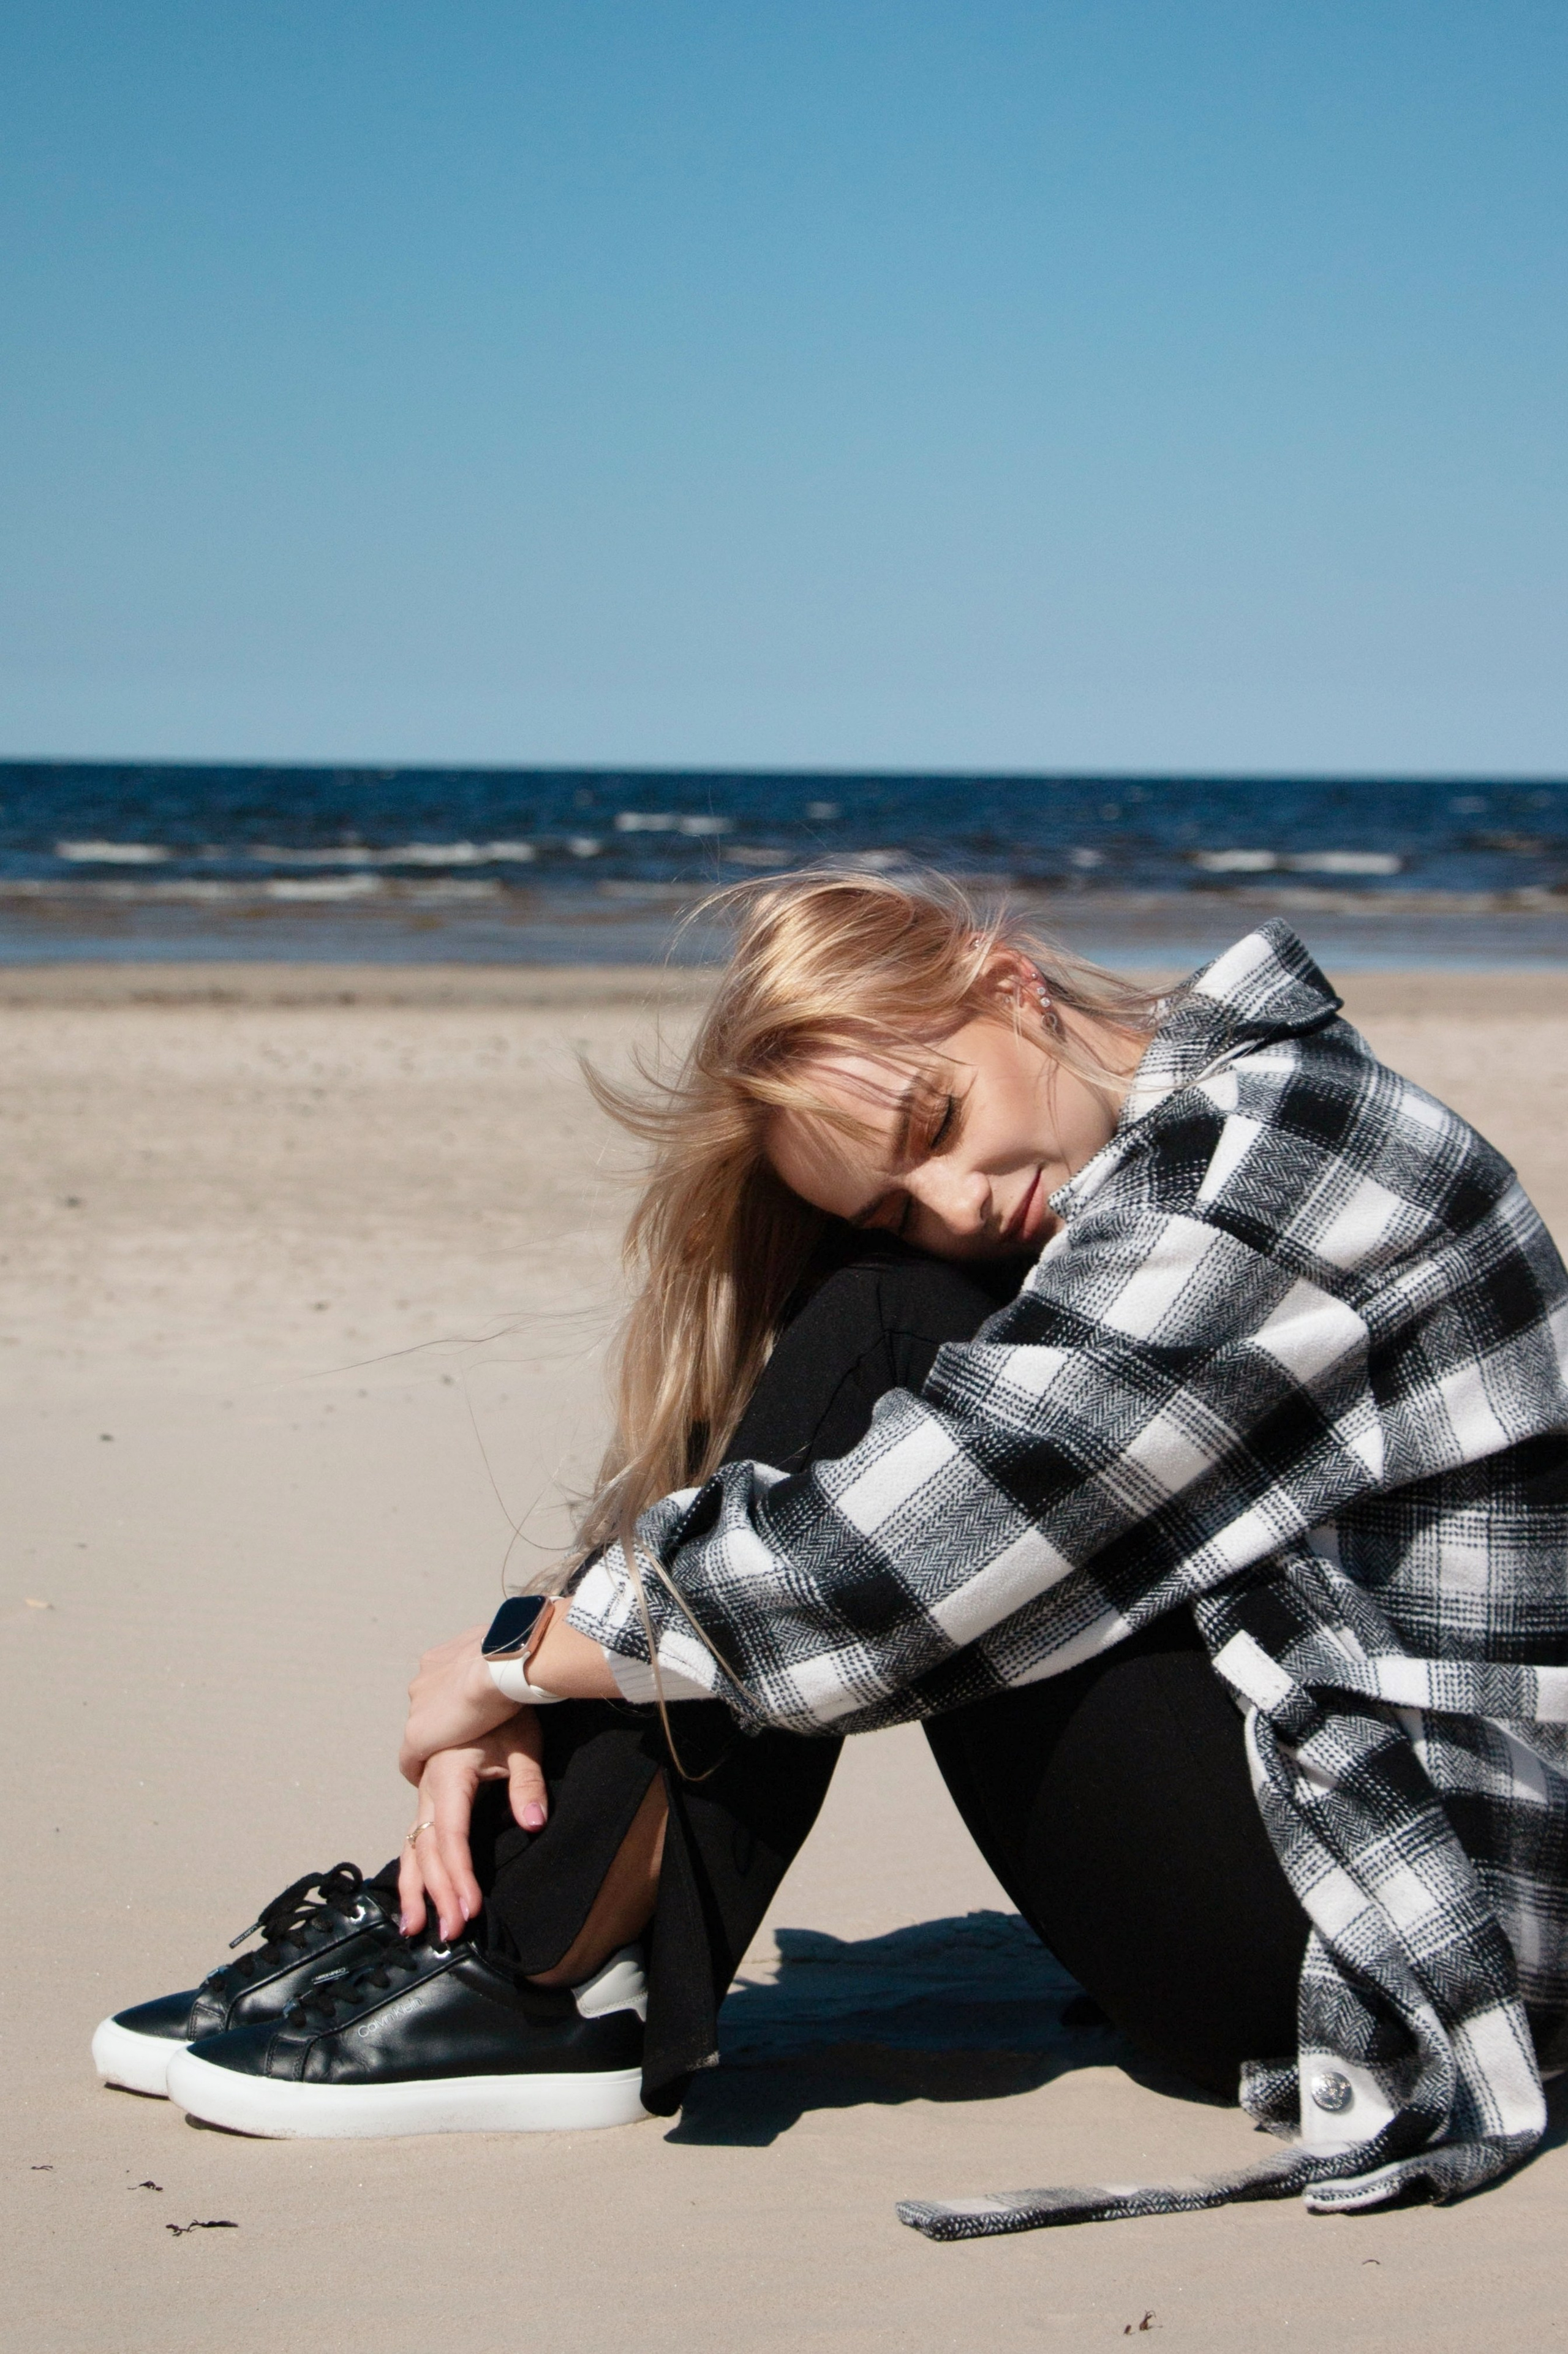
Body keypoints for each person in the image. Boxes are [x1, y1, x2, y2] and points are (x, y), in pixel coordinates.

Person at [92, 876, 1568, 2238]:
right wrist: (543, 1675)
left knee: (880, 1332)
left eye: (932, 1124)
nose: (958, 1199)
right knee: (879, 1334)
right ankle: (522, 1899)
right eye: (891, 1189)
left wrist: (514, 1659)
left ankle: (539, 1947)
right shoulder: (1179, 1148)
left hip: (1399, 1938)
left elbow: (891, 1567)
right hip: (1329, 1869)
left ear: (1007, 981)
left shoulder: (1275, 1147)